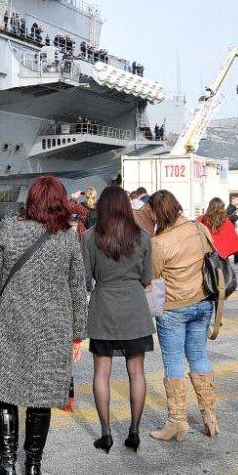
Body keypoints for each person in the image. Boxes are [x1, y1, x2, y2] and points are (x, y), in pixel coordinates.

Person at [0, 175, 87, 475]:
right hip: (54, 326)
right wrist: (77, 335)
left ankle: (7, 469)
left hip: (11, 320)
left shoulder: (10, 228)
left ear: (32, 198)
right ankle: (33, 467)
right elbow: (78, 289)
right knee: (42, 396)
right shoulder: (67, 236)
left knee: (5, 393)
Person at [83, 186, 154, 454]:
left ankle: (106, 433)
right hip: (135, 308)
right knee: (137, 372)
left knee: (101, 372)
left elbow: (86, 279)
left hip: (103, 307)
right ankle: (134, 431)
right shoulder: (142, 236)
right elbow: (147, 279)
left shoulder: (90, 237)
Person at [147, 189, 219, 441]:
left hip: (173, 308)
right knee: (199, 357)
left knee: (174, 363)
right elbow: (212, 258)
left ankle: (177, 422)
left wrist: (152, 311)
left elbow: (153, 278)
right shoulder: (199, 229)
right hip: (203, 302)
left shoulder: (158, 243)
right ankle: (210, 418)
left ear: (158, 213)